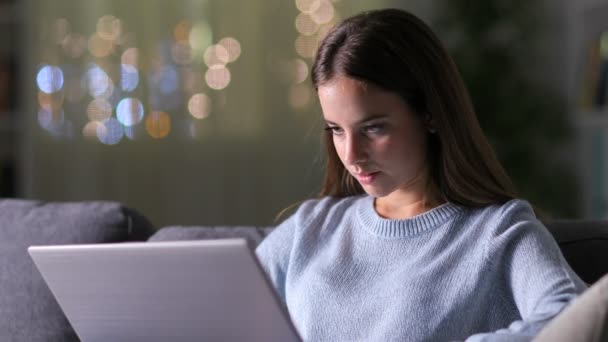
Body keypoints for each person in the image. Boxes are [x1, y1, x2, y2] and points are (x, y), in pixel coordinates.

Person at [255, 8, 586, 342]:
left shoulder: (497, 232)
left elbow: (573, 313)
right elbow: (219, 307)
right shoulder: (312, 227)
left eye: (373, 128)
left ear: (429, 115)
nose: (351, 156)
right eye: (336, 130)